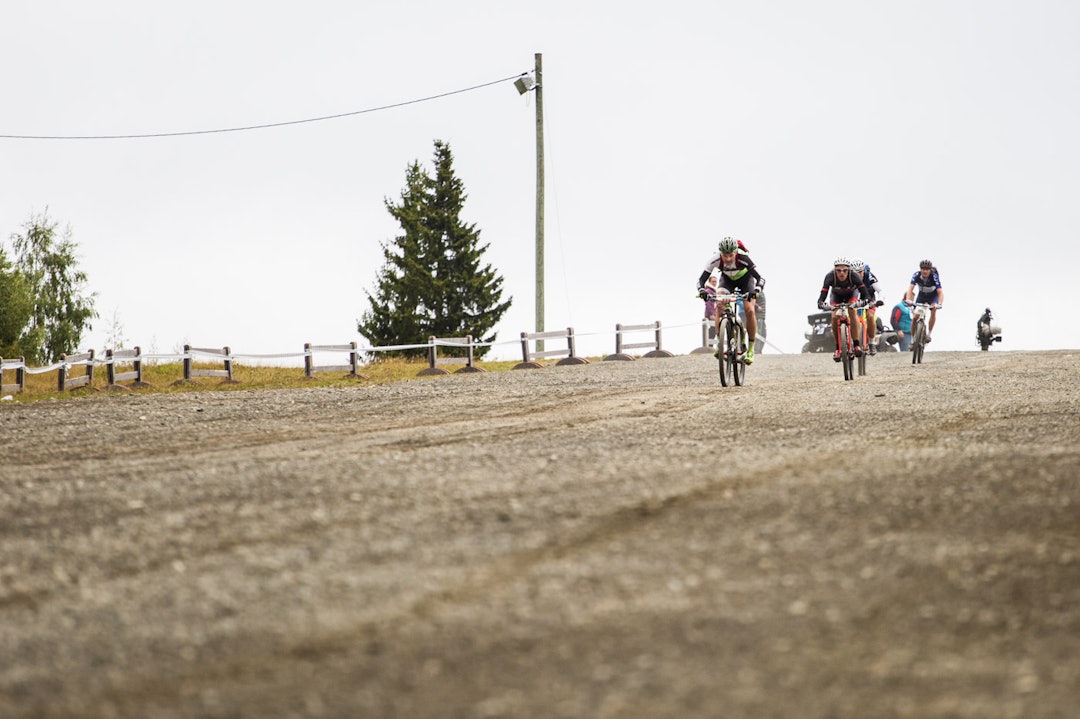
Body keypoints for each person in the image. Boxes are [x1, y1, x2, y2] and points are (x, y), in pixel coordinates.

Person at [697, 236, 764, 363]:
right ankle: (720, 343)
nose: (727, 259)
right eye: (724, 256)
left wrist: (756, 291)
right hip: (727, 281)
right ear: (720, 253)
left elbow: (761, 279)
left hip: (746, 281)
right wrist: (702, 291)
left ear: (736, 252)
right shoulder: (715, 259)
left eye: (731, 255)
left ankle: (750, 349)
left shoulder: (744, 258)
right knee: (720, 306)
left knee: (749, 310)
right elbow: (701, 280)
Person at [816, 257, 867, 361]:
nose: (842, 273)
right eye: (838, 270)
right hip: (836, 296)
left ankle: (856, 344)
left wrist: (863, 301)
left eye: (844, 270)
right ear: (835, 271)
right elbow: (823, 293)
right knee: (834, 316)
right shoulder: (830, 276)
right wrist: (821, 303)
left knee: (853, 312)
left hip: (851, 295)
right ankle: (838, 348)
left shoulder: (854, 275)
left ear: (849, 270)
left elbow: (864, 293)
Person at [904, 260, 944, 340]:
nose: (925, 271)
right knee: (915, 317)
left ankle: (929, 334)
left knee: (933, 310)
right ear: (920, 269)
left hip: (933, 296)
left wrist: (939, 304)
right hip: (922, 295)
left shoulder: (934, 276)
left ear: (930, 270)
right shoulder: (916, 275)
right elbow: (910, 288)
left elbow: (940, 292)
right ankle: (912, 339)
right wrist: (908, 299)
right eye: (923, 269)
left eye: (927, 269)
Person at [850, 258, 882, 355]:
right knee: (850, 316)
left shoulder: (870, 276)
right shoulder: (849, 278)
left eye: (860, 272)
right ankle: (849, 341)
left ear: (864, 271)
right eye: (856, 273)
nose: (858, 275)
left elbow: (880, 291)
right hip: (855, 298)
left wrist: (880, 300)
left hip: (869, 298)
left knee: (870, 316)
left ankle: (871, 343)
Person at [702, 274, 719, 338]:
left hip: (715, 313)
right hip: (710, 314)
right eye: (713, 281)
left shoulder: (714, 291)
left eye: (715, 281)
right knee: (713, 329)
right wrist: (712, 314)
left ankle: (710, 344)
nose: (714, 283)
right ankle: (709, 344)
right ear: (709, 282)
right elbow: (708, 303)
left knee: (715, 329)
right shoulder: (708, 291)